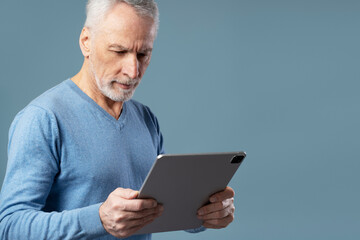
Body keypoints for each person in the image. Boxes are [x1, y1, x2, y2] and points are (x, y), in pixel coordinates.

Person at [0, 0, 236, 239]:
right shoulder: (43, 119)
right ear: (86, 42)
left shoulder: (145, 119)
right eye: (119, 51)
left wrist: (207, 213)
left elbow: (161, 207)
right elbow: (9, 226)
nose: (133, 71)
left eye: (143, 54)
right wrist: (98, 219)